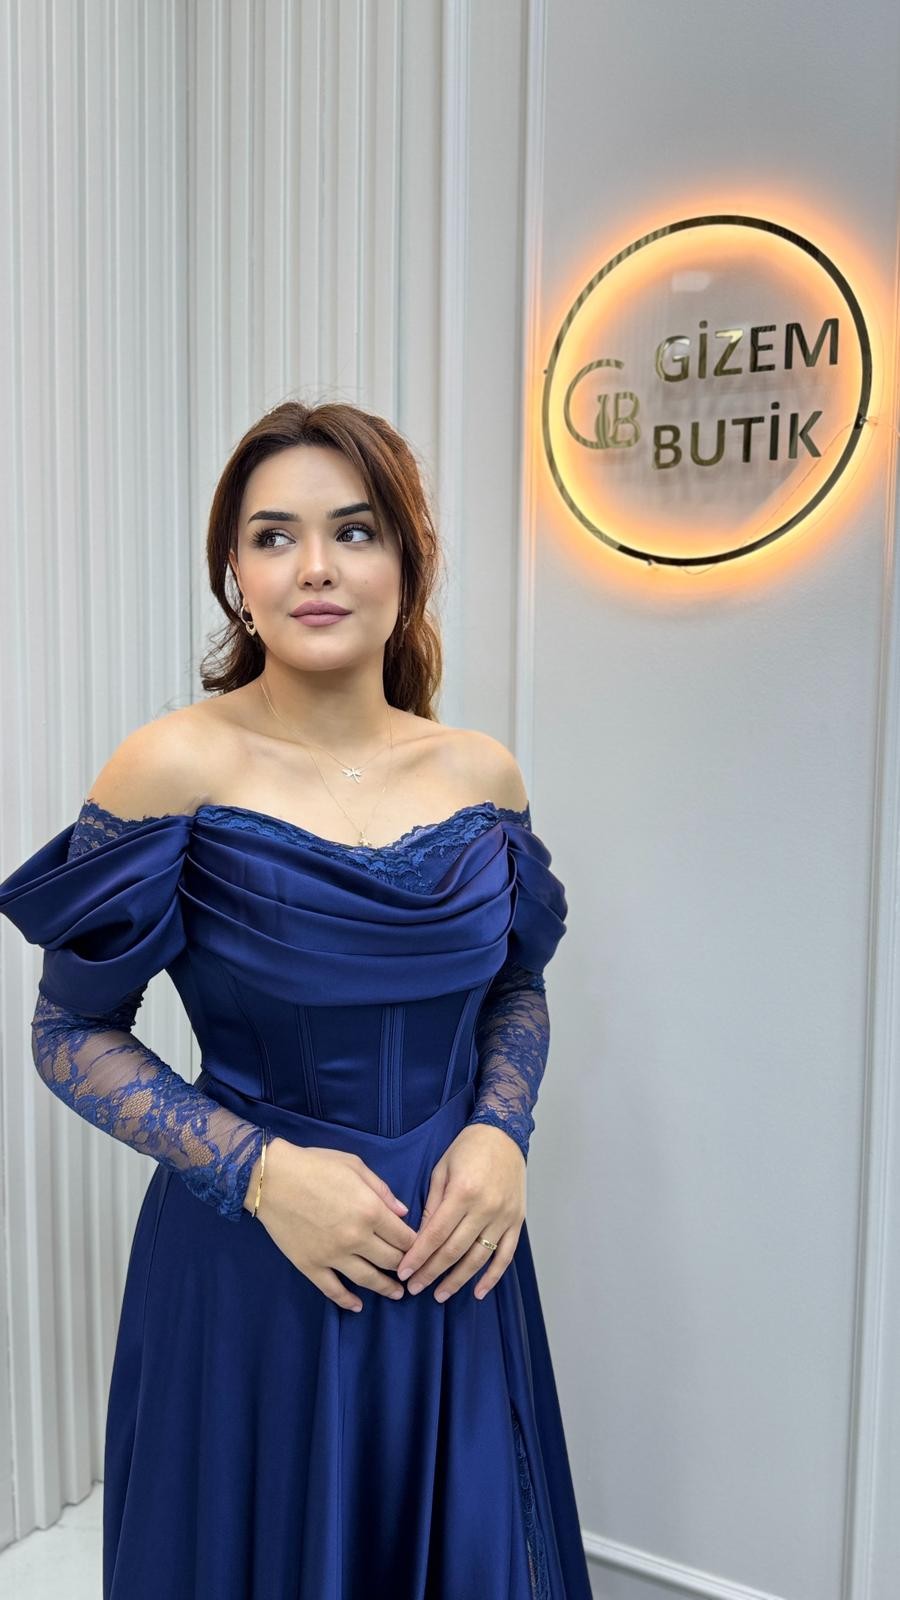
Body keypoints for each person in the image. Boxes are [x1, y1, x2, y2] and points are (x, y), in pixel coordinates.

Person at [0, 399, 592, 1599]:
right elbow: (68, 1030)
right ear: (237, 572)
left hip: (456, 1258)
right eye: (274, 536)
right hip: (252, 1267)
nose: (315, 566)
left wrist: (501, 1131)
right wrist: (264, 1173)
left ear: (409, 561)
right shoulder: (172, 766)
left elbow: (515, 985)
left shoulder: (482, 773)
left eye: (353, 530)